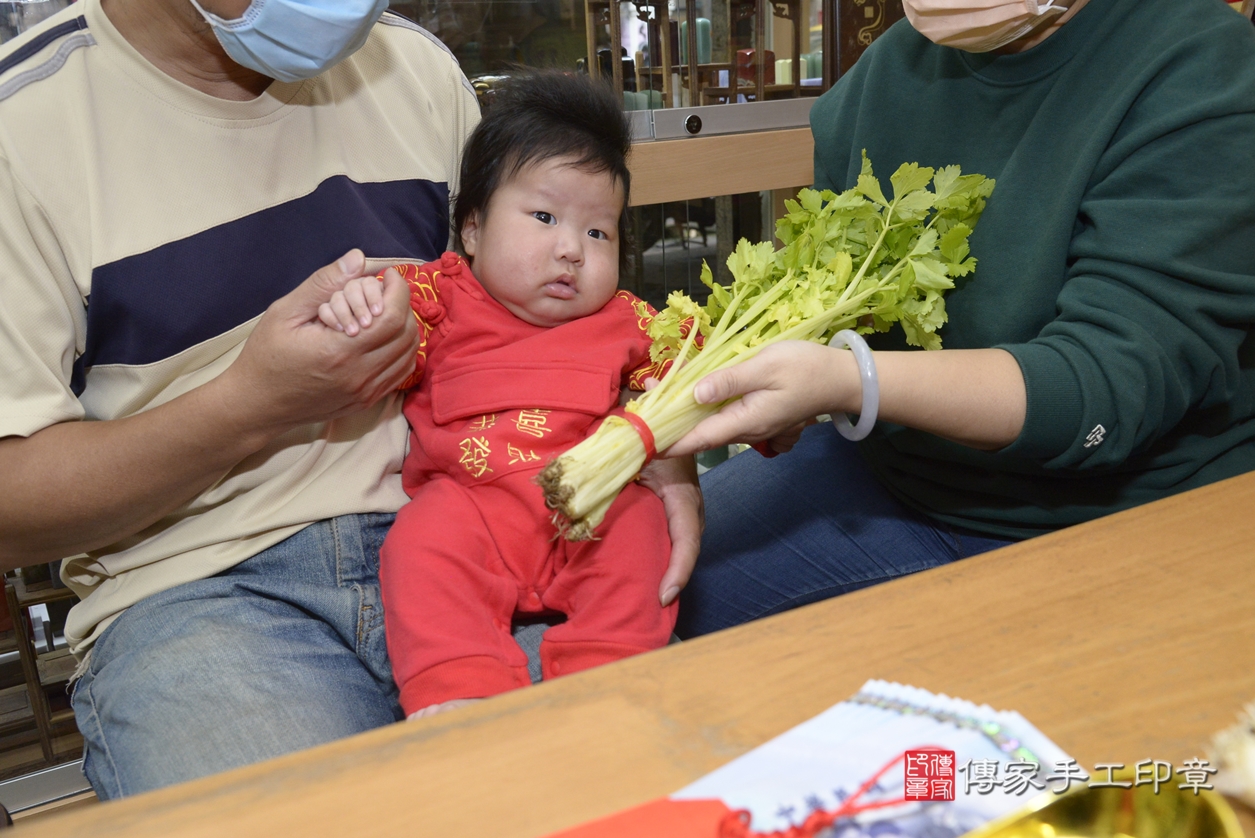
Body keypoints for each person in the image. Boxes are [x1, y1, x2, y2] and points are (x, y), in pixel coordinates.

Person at [0, 0, 702, 799]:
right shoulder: (22, 130)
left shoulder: (414, 70)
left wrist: (652, 445)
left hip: (489, 525)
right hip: (200, 593)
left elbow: (520, 322)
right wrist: (251, 403)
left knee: (616, 779)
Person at [669, 0, 1255, 637]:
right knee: (586, 615)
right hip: (887, 474)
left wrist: (851, 381)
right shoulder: (885, 72)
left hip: (1110, 517)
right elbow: (834, 292)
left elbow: (1111, 386)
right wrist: (689, 414)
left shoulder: (1198, 65)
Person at [319, 73, 678, 719]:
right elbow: (375, 322)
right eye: (543, 218)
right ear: (474, 230)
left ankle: (612, 672)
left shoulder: (628, 321)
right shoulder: (440, 296)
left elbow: (709, 379)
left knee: (644, 524)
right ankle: (456, 685)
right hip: (471, 511)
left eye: (599, 233)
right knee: (418, 545)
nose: (570, 249)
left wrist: (765, 405)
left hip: (593, 509)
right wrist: (356, 305)